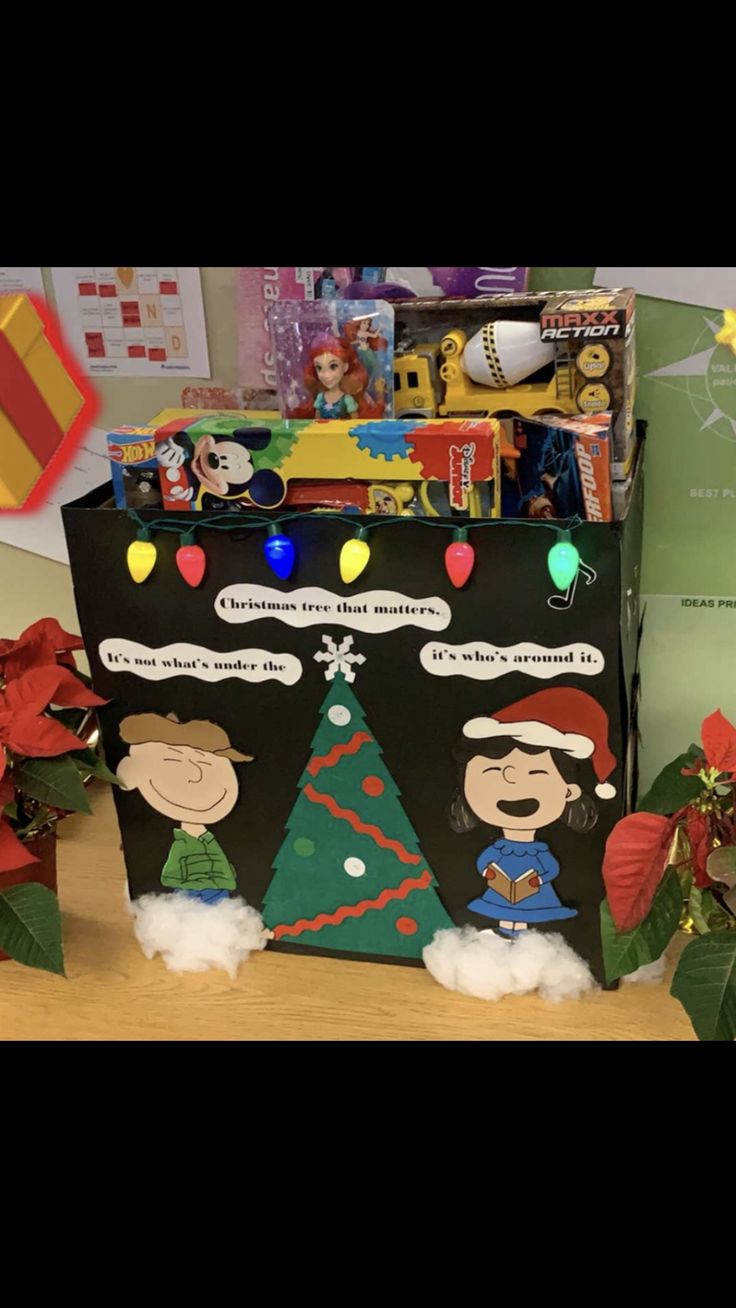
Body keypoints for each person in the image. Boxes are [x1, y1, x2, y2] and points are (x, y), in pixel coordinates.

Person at [448, 687, 617, 938]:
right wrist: (491, 873)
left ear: (569, 791)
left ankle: (523, 936)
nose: (513, 786)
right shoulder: (498, 849)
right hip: (500, 888)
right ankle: (506, 933)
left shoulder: (539, 851)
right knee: (506, 911)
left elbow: (550, 867)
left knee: (525, 914)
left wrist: (535, 880)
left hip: (534, 890)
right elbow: (484, 861)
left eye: (536, 774)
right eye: (492, 773)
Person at [117, 712, 253, 905]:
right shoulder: (181, 843)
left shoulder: (208, 839)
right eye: (174, 761)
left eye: (204, 762)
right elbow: (171, 871)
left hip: (218, 890)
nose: (195, 775)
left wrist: (227, 874)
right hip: (191, 892)